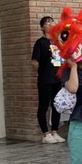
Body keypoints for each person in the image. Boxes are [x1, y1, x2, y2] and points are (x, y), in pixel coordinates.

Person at [31, 16, 65, 144]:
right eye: (47, 22)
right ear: (42, 27)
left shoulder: (57, 42)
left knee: (56, 105)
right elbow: (34, 62)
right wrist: (44, 70)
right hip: (45, 79)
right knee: (43, 106)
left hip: (57, 78)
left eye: (52, 21)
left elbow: (64, 56)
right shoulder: (40, 42)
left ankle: (55, 131)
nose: (50, 24)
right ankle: (46, 134)